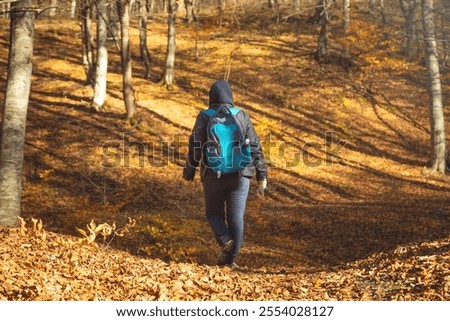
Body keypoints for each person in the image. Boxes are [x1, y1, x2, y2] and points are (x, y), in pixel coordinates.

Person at [183, 80, 268, 267]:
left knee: (214, 213)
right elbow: (255, 145)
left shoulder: (205, 116)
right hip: (241, 174)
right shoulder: (241, 115)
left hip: (213, 174)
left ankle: (224, 241)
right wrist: (261, 175)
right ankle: (229, 261)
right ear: (230, 96)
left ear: (211, 97)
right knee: (236, 218)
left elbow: (195, 146)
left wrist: (189, 171)